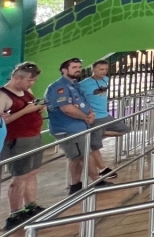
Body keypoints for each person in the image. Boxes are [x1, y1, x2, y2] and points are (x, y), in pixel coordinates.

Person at [45, 58, 107, 194]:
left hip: (80, 126)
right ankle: (97, 180)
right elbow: (67, 109)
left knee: (77, 156)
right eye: (74, 67)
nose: (78, 69)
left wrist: (91, 113)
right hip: (68, 128)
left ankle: (75, 185)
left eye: (79, 67)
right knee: (84, 155)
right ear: (64, 70)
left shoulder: (75, 85)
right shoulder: (59, 87)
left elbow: (84, 102)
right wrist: (85, 117)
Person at [0, 62, 46, 228]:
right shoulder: (3, 95)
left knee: (32, 173)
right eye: (29, 81)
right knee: (20, 177)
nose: (31, 84)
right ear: (17, 78)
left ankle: (31, 205)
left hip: (34, 135)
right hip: (17, 139)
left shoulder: (26, 91)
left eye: (33, 81)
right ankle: (14, 214)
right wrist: (25, 111)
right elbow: (2, 122)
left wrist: (39, 108)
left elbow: (30, 107)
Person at [79, 59, 127, 180]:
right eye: (101, 69)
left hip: (105, 115)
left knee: (124, 130)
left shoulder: (106, 80)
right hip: (94, 116)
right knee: (94, 145)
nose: (104, 72)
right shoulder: (83, 84)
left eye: (106, 69)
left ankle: (100, 132)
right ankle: (103, 169)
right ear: (93, 69)